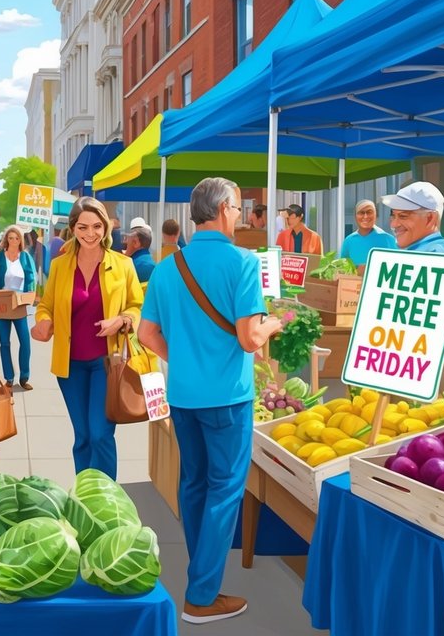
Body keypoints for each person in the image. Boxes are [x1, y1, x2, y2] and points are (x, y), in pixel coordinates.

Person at [137, 177, 285, 624]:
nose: (240, 216)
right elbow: (249, 338)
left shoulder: (166, 266)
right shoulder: (242, 262)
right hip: (227, 397)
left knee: (195, 484)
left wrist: (181, 358)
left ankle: (200, 578)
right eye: (239, 208)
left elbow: (147, 334)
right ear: (223, 209)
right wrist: (276, 322)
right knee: (225, 491)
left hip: (184, 395)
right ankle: (201, 595)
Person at [30, 197, 143, 478]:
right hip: (70, 366)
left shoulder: (123, 264)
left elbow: (137, 306)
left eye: (96, 226)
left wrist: (121, 320)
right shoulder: (59, 266)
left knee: (100, 434)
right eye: (83, 227)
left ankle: (106, 497)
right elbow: (46, 305)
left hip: (107, 363)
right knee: (81, 437)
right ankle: (84, 494)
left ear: (105, 227)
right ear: (72, 228)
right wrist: (43, 321)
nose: (90, 233)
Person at [382, 182, 444, 366]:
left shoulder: (437, 256)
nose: (394, 224)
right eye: (393, 216)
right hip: (418, 370)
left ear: (430, 219)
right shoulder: (418, 251)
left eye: (403, 216)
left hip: (442, 375)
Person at [0, 226, 36, 388]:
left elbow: (31, 279)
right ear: (6, 239)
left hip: (19, 302)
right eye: (11, 238)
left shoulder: (25, 257)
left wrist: (31, 295)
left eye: (17, 238)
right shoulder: (0, 257)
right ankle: (8, 378)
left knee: (25, 340)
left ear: (21, 240)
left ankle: (24, 376)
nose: (14, 241)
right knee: (4, 342)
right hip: (2, 302)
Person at [338, 200, 397, 272]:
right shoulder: (349, 241)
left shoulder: (388, 239)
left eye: (369, 212)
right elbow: (342, 269)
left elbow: (397, 268)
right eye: (361, 213)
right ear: (355, 217)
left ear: (376, 215)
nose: (365, 216)